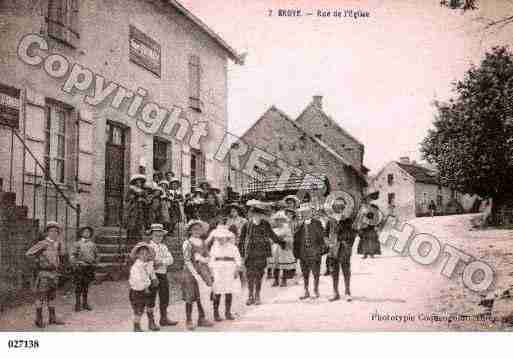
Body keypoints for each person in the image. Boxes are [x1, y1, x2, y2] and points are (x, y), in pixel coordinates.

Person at [239, 201, 285, 305]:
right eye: (255, 214)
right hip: (249, 254)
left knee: (259, 275)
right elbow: (241, 240)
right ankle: (250, 295)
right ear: (252, 214)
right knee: (250, 275)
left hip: (261, 254)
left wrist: (281, 242)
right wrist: (241, 253)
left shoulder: (265, 224)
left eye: (259, 214)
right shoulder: (246, 225)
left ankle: (257, 295)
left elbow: (272, 235)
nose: (257, 216)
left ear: (262, 215)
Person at [25, 221, 66, 328]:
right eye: (51, 231)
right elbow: (29, 254)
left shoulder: (57, 244)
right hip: (44, 274)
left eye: (56, 231)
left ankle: (52, 318)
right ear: (47, 232)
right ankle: (39, 319)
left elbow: (59, 257)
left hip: (54, 274)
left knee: (52, 296)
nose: (54, 233)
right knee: (41, 296)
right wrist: (38, 262)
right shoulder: (43, 243)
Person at [182, 220, 214, 330]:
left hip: (203, 271)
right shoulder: (187, 243)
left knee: (202, 294)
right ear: (190, 230)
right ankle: (189, 320)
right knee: (190, 295)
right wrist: (195, 273)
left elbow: (209, 257)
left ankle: (202, 318)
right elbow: (186, 260)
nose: (197, 231)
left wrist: (202, 259)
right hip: (191, 272)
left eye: (199, 229)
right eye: (194, 229)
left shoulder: (203, 242)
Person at [324, 197, 358, 302]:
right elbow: (325, 234)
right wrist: (328, 243)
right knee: (334, 271)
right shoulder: (330, 220)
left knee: (346, 270)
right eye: (336, 206)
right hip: (333, 249)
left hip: (344, 248)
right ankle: (335, 293)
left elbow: (353, 234)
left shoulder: (348, 220)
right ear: (333, 208)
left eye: (341, 206)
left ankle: (347, 292)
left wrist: (348, 245)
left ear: (344, 208)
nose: (338, 208)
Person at [147, 223, 178, 328]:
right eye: (156, 235)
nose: (159, 238)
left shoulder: (164, 247)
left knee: (165, 296)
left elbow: (171, 260)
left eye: (160, 235)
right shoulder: (148, 247)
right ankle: (151, 321)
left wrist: (160, 262)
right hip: (152, 275)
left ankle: (163, 318)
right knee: (151, 297)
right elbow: (149, 263)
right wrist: (153, 276)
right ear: (151, 235)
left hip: (163, 274)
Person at [293, 205, 327, 299]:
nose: (305, 214)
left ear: (311, 213)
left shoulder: (317, 223)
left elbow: (322, 236)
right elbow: (296, 240)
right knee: (305, 273)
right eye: (303, 212)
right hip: (303, 253)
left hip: (315, 252)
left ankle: (316, 290)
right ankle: (306, 290)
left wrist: (320, 250)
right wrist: (296, 253)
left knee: (316, 272)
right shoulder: (299, 224)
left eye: (307, 212)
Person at [208, 225, 242, 321]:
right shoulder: (214, 248)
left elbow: (238, 259)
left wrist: (236, 270)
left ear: (227, 237)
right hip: (218, 270)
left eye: (222, 238)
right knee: (217, 291)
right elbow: (211, 261)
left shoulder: (233, 247)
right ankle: (216, 313)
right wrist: (211, 273)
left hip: (229, 270)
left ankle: (227, 312)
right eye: (218, 238)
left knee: (228, 291)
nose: (220, 240)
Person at [70, 226, 98, 312]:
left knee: (86, 286)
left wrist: (94, 262)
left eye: (88, 232)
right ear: (81, 233)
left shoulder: (93, 244)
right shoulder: (77, 244)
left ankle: (85, 303)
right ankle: (77, 304)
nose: (86, 233)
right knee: (79, 286)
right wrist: (76, 263)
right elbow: (72, 255)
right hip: (80, 268)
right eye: (85, 232)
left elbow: (97, 255)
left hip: (89, 268)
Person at [128, 242, 155, 332]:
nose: (144, 256)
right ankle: (136, 326)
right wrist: (145, 287)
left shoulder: (147, 264)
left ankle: (150, 323)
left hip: (145, 289)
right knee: (138, 309)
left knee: (147, 306)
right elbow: (137, 280)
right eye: (142, 254)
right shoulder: (136, 267)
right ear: (137, 255)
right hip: (137, 291)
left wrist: (153, 279)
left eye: (146, 254)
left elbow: (150, 272)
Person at [270, 211, 296, 287]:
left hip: (284, 247)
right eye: (277, 220)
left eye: (280, 219)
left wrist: (284, 239)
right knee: (275, 265)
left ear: (283, 220)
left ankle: (284, 280)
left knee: (284, 265)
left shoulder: (286, 228)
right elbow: (271, 239)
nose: (278, 221)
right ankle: (276, 280)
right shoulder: (274, 229)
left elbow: (290, 238)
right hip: (275, 248)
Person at [124, 174, 147, 243]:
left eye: (140, 182)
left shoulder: (143, 191)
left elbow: (146, 200)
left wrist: (143, 200)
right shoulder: (131, 189)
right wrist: (133, 198)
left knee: (139, 224)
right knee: (132, 224)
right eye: (137, 182)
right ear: (135, 182)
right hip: (133, 208)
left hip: (140, 209)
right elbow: (127, 199)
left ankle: (138, 240)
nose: (139, 183)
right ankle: (130, 240)